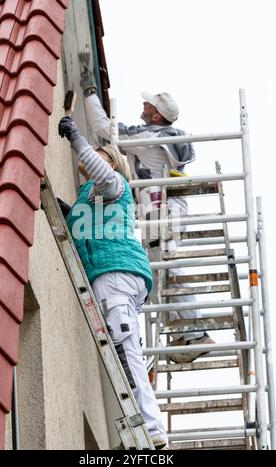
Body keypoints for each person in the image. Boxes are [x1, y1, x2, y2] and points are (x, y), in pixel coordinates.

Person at [79, 66, 214, 363]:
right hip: (166, 209)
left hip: (159, 210)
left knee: (167, 268)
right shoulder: (165, 137)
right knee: (159, 267)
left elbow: (108, 131)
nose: (143, 106)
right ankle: (187, 331)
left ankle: (195, 330)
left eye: (147, 105)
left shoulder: (151, 135)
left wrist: (89, 94)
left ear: (155, 115)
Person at [58, 115, 168, 450]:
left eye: (97, 152)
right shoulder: (89, 198)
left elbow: (102, 170)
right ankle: (144, 427)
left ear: (111, 162)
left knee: (124, 346)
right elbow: (81, 226)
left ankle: (151, 429)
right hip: (113, 275)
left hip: (117, 274)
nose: (88, 154)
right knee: (123, 349)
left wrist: (76, 136)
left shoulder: (114, 182)